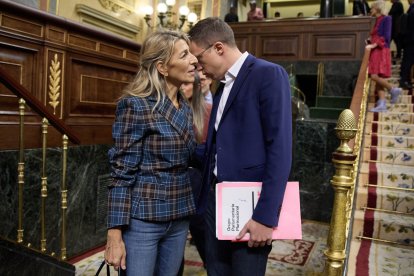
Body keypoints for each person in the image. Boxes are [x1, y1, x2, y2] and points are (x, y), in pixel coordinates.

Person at [188, 17, 292, 275]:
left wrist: (265, 217)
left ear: (219, 48)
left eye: (200, 60)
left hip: (250, 208)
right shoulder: (222, 85)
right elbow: (219, 147)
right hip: (216, 202)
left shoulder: (267, 73)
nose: (200, 70)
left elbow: (280, 150)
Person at [104, 30, 199, 276]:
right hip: (143, 218)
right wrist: (114, 234)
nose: (194, 60)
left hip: (179, 214)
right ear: (162, 67)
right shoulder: (135, 105)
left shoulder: (185, 106)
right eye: (185, 54)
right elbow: (121, 173)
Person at [368, 0, 402, 112]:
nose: (370, 10)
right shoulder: (377, 20)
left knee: (374, 76)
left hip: (381, 51)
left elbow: (386, 37)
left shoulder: (387, 19)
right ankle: (382, 104)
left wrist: (374, 44)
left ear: (377, 8)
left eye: (372, 8)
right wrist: (370, 41)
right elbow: (377, 35)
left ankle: (393, 89)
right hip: (376, 50)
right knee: (378, 79)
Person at [400, 0, 414, 89]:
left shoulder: (411, 9)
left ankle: (406, 80)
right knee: (408, 61)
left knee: (408, 60)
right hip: (412, 40)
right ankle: (404, 80)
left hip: (408, 39)